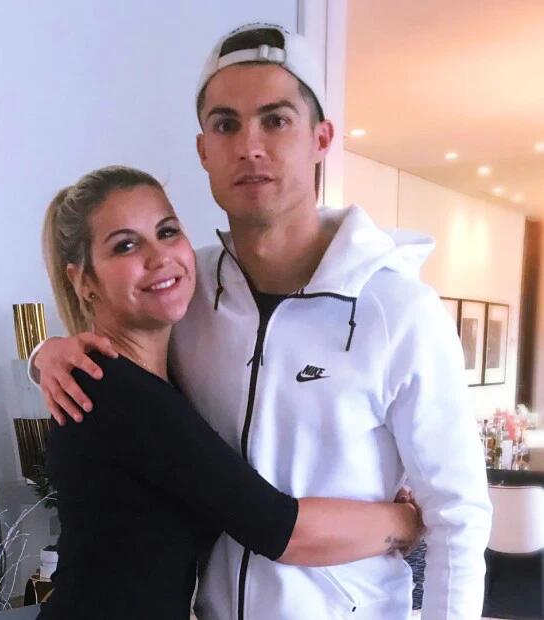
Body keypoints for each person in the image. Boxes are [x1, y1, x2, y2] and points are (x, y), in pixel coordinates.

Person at [31, 24, 492, 620]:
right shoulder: (185, 293)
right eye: (226, 125)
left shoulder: (398, 310)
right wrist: (46, 354)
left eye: (275, 120)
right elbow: (119, 367)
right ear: (204, 150)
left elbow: (458, 515)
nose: (250, 146)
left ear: (321, 138)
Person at [35, 165, 421, 620]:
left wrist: (43, 354)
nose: (159, 257)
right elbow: (278, 529)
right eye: (125, 245)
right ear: (83, 281)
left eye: (167, 231)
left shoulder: (149, 372)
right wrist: (407, 521)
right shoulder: (117, 392)